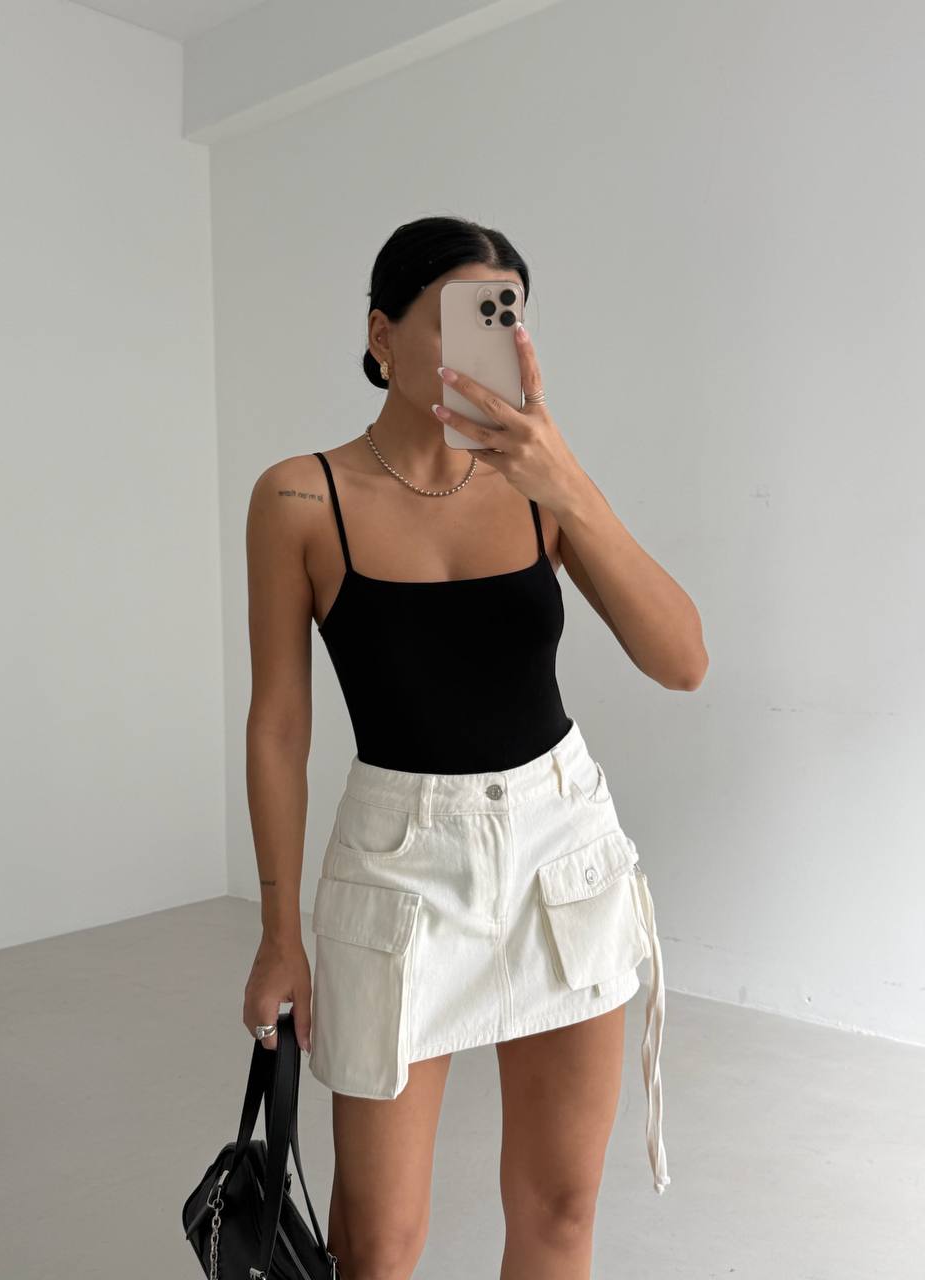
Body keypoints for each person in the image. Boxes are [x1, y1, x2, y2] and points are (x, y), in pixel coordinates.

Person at [242, 215, 708, 1279]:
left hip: (561, 849)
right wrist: (278, 934)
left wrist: (565, 477)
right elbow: (279, 722)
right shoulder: (300, 495)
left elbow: (682, 660)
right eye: (459, 316)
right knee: (378, 1244)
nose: (486, 343)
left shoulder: (539, 487)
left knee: (561, 1209)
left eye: (505, 319)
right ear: (381, 335)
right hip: (397, 869)